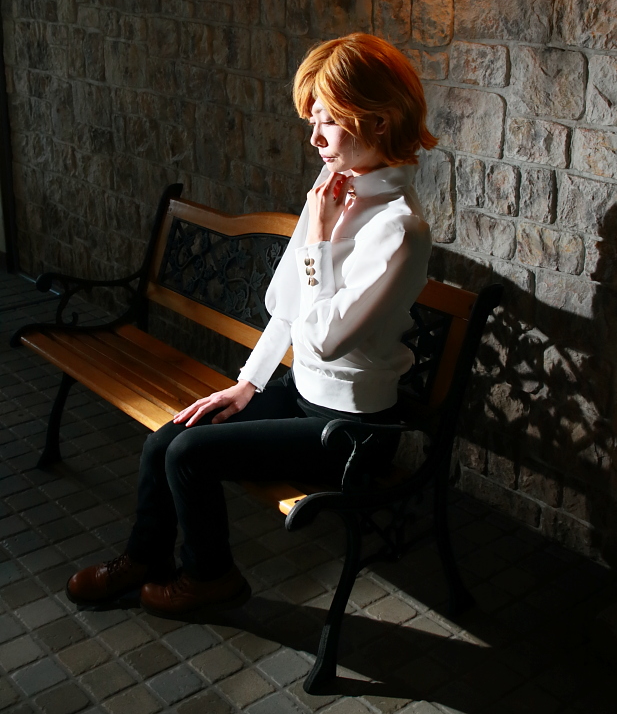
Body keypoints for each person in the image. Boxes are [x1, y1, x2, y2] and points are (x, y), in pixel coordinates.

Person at [66, 33, 438, 616]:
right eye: (312, 120)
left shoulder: (399, 229)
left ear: (379, 120)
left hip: (352, 430)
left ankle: (210, 578)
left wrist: (318, 240)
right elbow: (287, 306)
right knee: (166, 438)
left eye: (328, 120)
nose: (314, 137)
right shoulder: (329, 195)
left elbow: (324, 339)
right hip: (299, 394)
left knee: (190, 455)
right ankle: (144, 558)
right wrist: (248, 384)